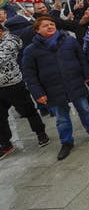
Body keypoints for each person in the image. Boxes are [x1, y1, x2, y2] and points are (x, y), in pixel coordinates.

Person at [22, 16, 89, 160]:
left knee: (85, 110)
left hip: (75, 83)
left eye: (51, 24)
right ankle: (66, 142)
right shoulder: (31, 50)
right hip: (52, 89)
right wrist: (38, 93)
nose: (50, 27)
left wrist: (87, 74)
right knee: (62, 118)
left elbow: (82, 58)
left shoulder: (69, 40)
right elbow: (29, 74)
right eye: (45, 26)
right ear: (37, 30)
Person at [0, 23, 50, 160]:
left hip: (14, 84)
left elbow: (1, 59)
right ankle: (5, 143)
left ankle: (41, 133)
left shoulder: (11, 40)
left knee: (28, 111)